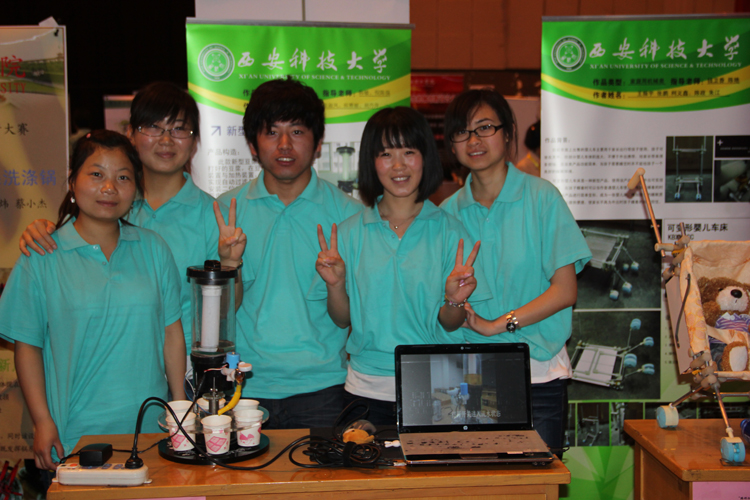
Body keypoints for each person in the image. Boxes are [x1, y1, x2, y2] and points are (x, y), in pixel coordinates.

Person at [18, 83, 245, 396]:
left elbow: (224, 311)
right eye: (153, 127)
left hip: (188, 373)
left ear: (195, 142)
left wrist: (230, 263)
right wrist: (42, 229)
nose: (166, 139)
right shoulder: (107, 206)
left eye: (179, 129)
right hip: (110, 374)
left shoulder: (213, 215)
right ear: (131, 134)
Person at [0, 131, 187, 471]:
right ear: (72, 181)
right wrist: (42, 421)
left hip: (151, 431)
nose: (110, 187)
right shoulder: (42, 255)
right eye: (97, 174)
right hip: (75, 435)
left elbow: (171, 332)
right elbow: (28, 346)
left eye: (123, 177)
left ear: (136, 187)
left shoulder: (154, 248)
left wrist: (179, 407)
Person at [315, 107, 489, 425]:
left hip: (438, 386)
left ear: (425, 157)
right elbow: (342, 319)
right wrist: (335, 284)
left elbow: (451, 323)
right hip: (366, 387)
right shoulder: (351, 232)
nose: (398, 165)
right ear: (371, 161)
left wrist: (454, 300)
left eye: (409, 152)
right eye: (385, 154)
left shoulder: (450, 231)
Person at [440, 90, 591, 456]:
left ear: (507, 133)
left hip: (537, 374)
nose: (473, 140)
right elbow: (447, 316)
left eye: (484, 127)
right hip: (471, 378)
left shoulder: (542, 198)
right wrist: (453, 302)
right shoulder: (445, 214)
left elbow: (565, 290)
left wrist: (497, 325)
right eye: (462, 132)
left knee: (536, 482)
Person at [218, 77, 361, 429]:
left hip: (324, 389)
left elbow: (348, 318)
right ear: (252, 144)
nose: (284, 145)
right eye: (271, 132)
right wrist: (229, 264)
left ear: (318, 143)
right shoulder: (225, 212)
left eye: (297, 131)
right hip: (243, 388)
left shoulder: (349, 215)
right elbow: (220, 314)